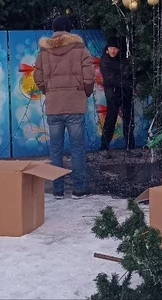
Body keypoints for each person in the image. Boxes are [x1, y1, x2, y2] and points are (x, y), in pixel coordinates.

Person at [34, 16, 95, 199]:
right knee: (77, 148)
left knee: (55, 149)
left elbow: (38, 77)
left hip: (54, 105)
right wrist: (85, 92)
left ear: (54, 30)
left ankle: (58, 190)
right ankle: (78, 189)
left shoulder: (44, 51)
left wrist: (49, 91)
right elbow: (89, 76)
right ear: (69, 29)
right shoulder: (80, 49)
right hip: (75, 104)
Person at [99, 37, 134, 155]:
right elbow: (110, 79)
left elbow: (130, 73)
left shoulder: (124, 59)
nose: (113, 51)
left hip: (126, 93)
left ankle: (130, 147)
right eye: (111, 48)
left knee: (129, 119)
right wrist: (129, 84)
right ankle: (104, 147)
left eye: (115, 48)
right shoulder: (104, 60)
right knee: (111, 119)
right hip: (113, 94)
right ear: (107, 48)